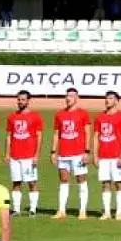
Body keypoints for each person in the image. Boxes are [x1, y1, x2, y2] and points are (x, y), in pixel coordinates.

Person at [51, 88, 91, 220]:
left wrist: (86, 151)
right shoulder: (59, 114)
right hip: (63, 153)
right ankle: (61, 210)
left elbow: (87, 133)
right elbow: (56, 134)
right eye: (67, 96)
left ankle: (83, 210)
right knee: (63, 180)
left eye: (71, 96)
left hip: (78, 153)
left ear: (76, 98)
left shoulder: (83, 114)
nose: (68, 98)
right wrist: (53, 151)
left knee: (81, 180)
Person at [92, 90, 121, 221]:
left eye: (111, 98)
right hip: (103, 157)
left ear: (116, 101)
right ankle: (107, 212)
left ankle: (119, 212)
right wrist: (95, 155)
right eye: (106, 98)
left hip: (116, 156)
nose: (107, 100)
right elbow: (96, 137)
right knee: (105, 184)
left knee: (119, 183)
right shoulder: (99, 117)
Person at [5, 91, 42, 218]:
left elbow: (39, 136)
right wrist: (7, 154)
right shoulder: (12, 117)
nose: (20, 102)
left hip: (28, 156)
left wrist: (36, 155)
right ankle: (16, 209)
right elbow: (9, 136)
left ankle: (32, 209)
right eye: (19, 99)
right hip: (15, 156)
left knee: (32, 183)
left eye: (23, 100)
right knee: (16, 182)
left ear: (28, 101)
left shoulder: (35, 117)